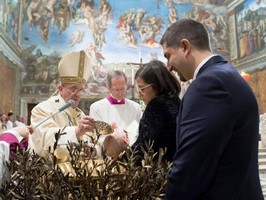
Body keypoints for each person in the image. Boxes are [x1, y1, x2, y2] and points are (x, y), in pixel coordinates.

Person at [160, 18, 263, 199]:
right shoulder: (226, 75)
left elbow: (191, 167)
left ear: (185, 46)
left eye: (168, 55)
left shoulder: (209, 84)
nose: (168, 67)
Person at [29, 50, 98, 160]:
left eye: (80, 90)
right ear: (60, 89)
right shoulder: (42, 109)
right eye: (73, 89)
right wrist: (75, 131)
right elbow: (45, 140)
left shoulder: (81, 115)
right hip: (51, 172)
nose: (78, 94)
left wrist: (91, 149)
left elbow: (91, 141)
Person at [132, 59, 181, 163]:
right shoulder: (176, 101)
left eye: (142, 89)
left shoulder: (157, 106)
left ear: (157, 85)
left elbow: (144, 147)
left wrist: (120, 159)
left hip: (160, 171)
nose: (139, 94)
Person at [89, 70, 143, 155]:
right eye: (116, 89)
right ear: (108, 88)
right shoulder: (96, 108)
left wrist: (127, 136)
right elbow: (96, 136)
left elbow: (139, 132)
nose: (120, 93)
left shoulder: (136, 107)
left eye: (122, 88)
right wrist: (111, 137)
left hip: (131, 154)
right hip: (107, 155)